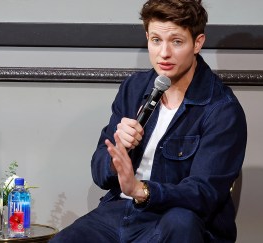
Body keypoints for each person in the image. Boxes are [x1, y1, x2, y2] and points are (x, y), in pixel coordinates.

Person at [50, 0, 247, 242]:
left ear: (197, 43)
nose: (164, 53)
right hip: (121, 211)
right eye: (156, 40)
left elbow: (203, 193)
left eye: (176, 41)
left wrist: (142, 190)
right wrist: (117, 154)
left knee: (180, 223)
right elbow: (99, 171)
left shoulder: (222, 109)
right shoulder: (134, 88)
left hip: (177, 220)